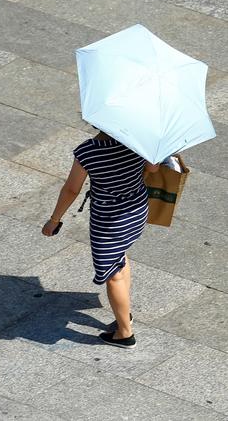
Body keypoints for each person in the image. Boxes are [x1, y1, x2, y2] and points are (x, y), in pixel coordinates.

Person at [42, 130, 159, 348]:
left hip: (108, 221)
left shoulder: (88, 151)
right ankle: (125, 312)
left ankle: (124, 333)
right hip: (137, 211)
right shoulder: (137, 139)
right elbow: (153, 167)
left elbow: (71, 189)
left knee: (112, 274)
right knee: (120, 258)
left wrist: (54, 219)